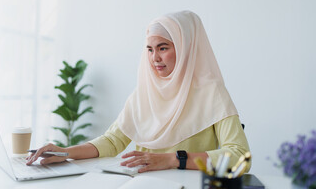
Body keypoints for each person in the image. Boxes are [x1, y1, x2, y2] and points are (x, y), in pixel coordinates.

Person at [25, 10, 250, 173]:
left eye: (163, 48)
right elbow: (113, 141)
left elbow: (240, 157)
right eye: (150, 49)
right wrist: (64, 152)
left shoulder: (211, 92)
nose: (155, 58)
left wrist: (172, 160)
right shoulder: (145, 92)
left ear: (185, 49)